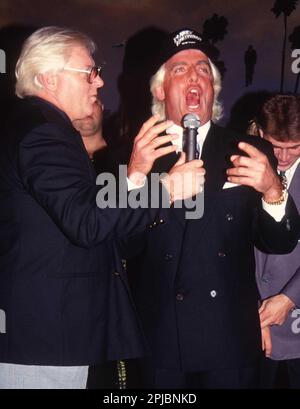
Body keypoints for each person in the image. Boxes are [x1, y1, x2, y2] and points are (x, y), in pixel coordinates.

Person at [0, 26, 203, 389]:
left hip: (50, 333)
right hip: (48, 337)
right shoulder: (44, 131)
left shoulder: (39, 125)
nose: (98, 83)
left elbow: (88, 216)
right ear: (48, 78)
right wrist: (166, 189)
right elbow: (87, 223)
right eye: (89, 72)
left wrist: (137, 174)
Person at [122, 28, 300, 389]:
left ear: (213, 90)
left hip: (229, 339)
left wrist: (272, 190)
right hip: (160, 338)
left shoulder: (250, 149)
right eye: (180, 69)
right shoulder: (134, 154)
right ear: (159, 90)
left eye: (204, 70)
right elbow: (123, 246)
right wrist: (141, 180)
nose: (194, 76)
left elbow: (278, 242)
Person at [254, 94, 300, 389]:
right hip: (251, 323)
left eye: (294, 148)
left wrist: (290, 297)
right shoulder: (238, 167)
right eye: (275, 146)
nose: (283, 158)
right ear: (259, 133)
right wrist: (252, 314)